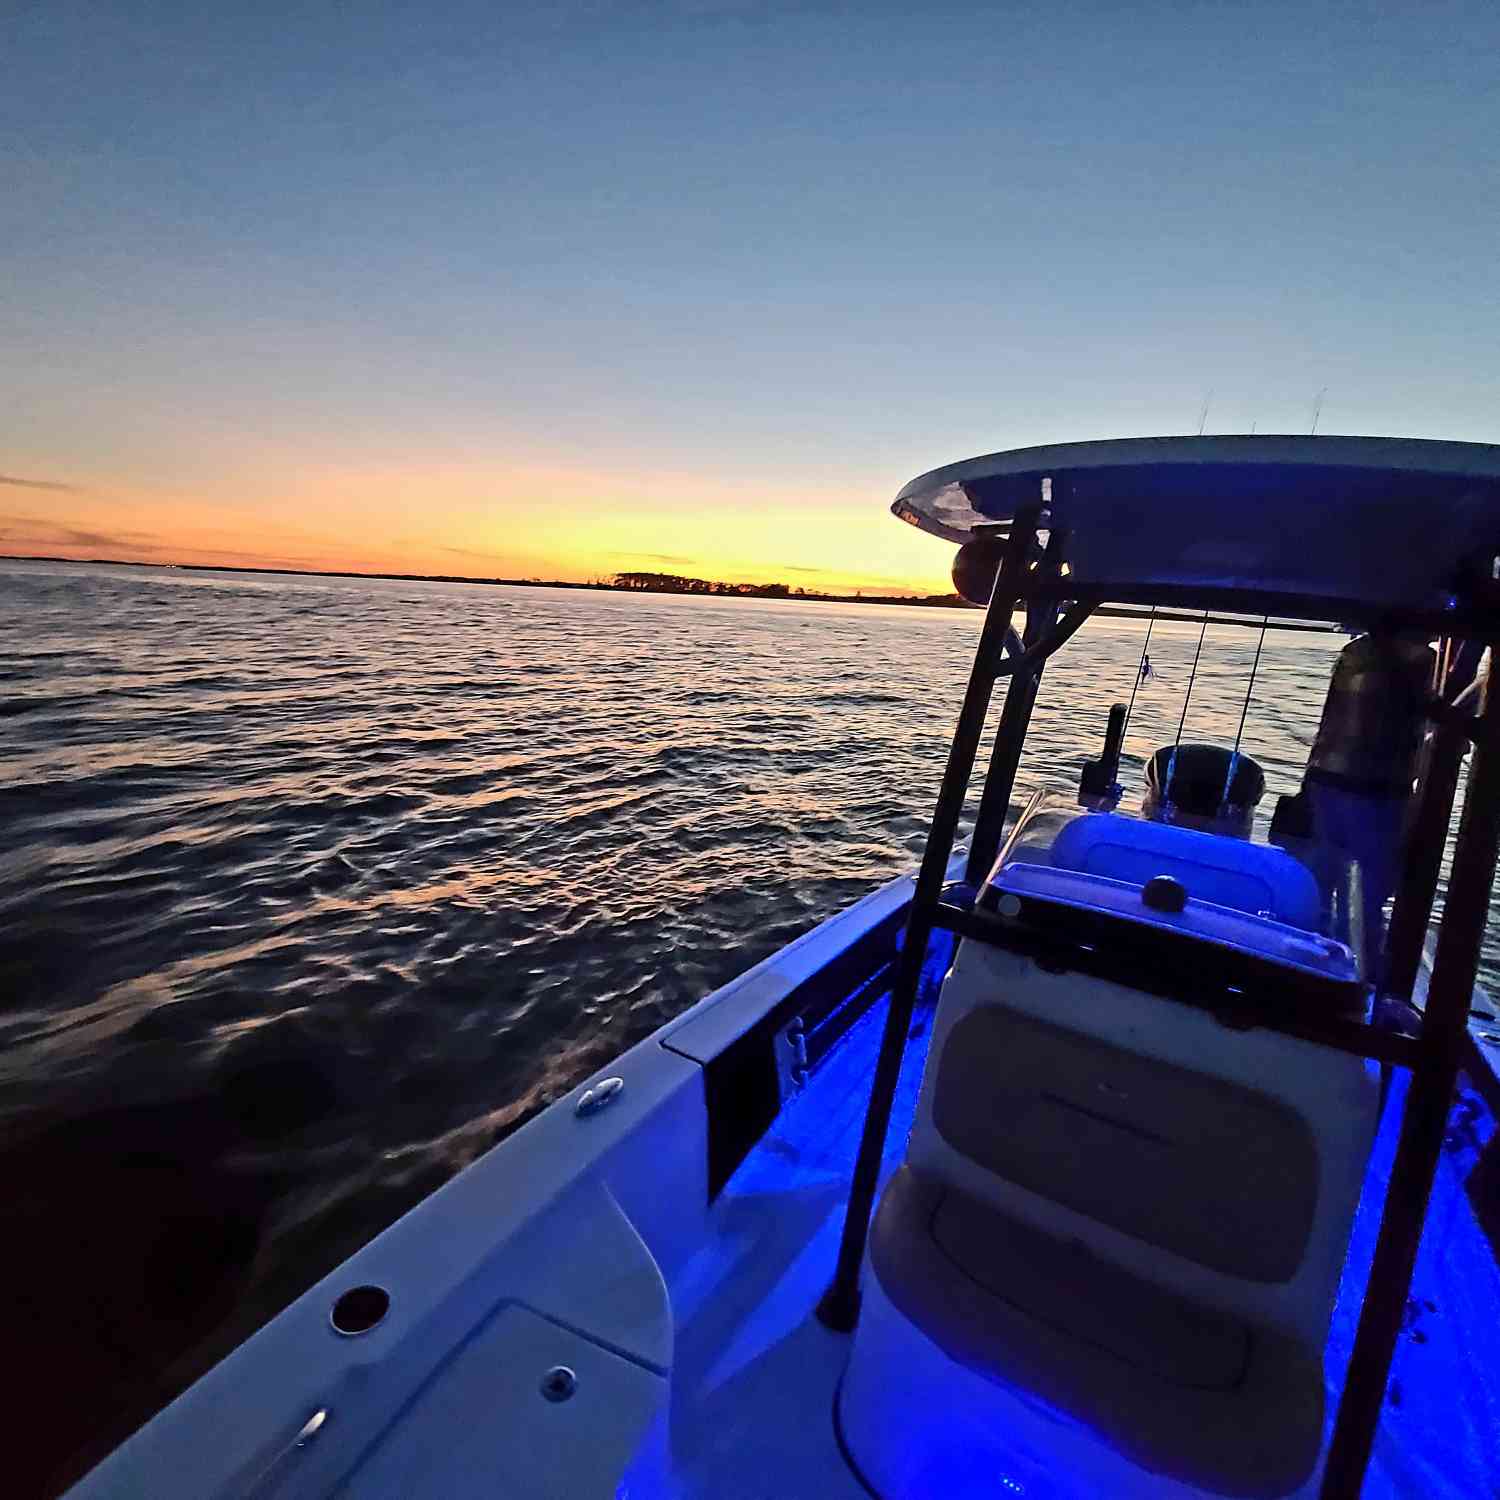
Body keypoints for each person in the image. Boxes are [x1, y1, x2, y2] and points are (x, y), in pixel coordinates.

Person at [1301, 629, 1436, 960]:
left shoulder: (1355, 652)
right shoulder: (1420, 661)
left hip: (1326, 780)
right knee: (1364, 898)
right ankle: (1357, 974)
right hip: (1376, 792)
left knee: (1318, 881)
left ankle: (1303, 955)